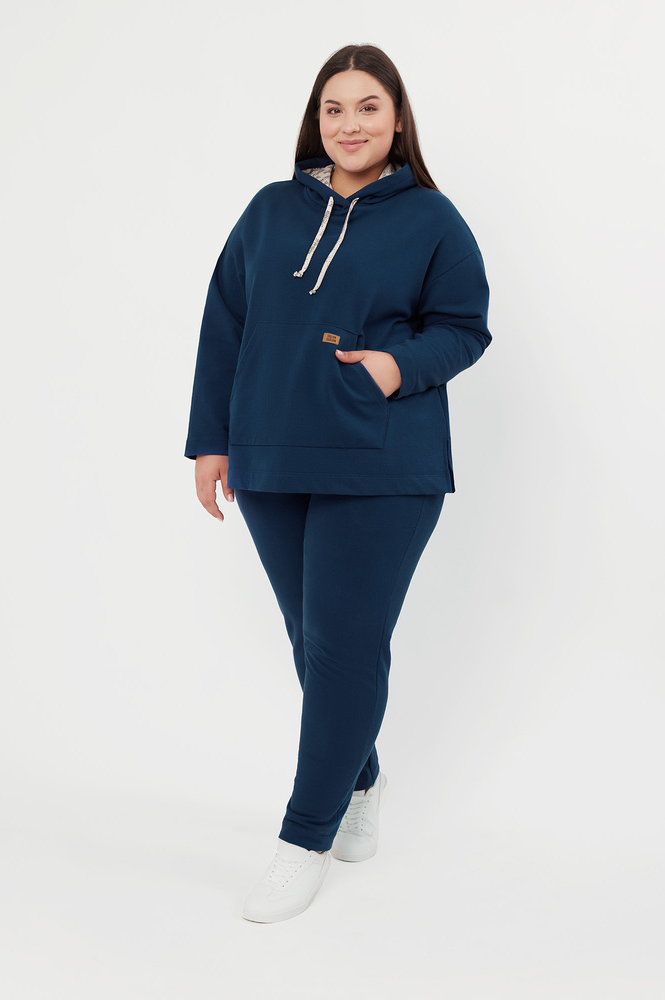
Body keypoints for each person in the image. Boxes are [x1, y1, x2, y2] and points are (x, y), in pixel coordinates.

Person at [184, 42, 492, 923]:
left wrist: (395, 367)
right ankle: (360, 779)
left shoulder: (431, 218)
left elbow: (464, 327)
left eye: (367, 107)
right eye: (333, 108)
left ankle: (303, 837)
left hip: (381, 460)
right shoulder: (270, 209)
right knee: (312, 642)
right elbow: (224, 321)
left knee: (344, 647)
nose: (349, 124)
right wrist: (211, 441)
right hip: (270, 454)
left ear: (396, 119)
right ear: (314, 119)